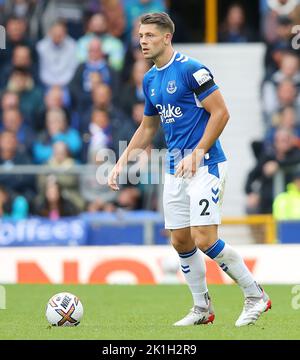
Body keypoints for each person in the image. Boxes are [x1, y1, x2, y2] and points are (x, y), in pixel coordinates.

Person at [108, 12, 272, 327]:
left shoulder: (191, 70)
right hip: (175, 169)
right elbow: (148, 126)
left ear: (167, 37)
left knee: (204, 238)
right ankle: (202, 308)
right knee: (181, 240)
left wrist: (198, 153)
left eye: (150, 36)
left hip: (206, 164)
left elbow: (221, 113)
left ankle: (255, 295)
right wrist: (121, 161)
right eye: (141, 36)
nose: (143, 41)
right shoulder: (150, 78)